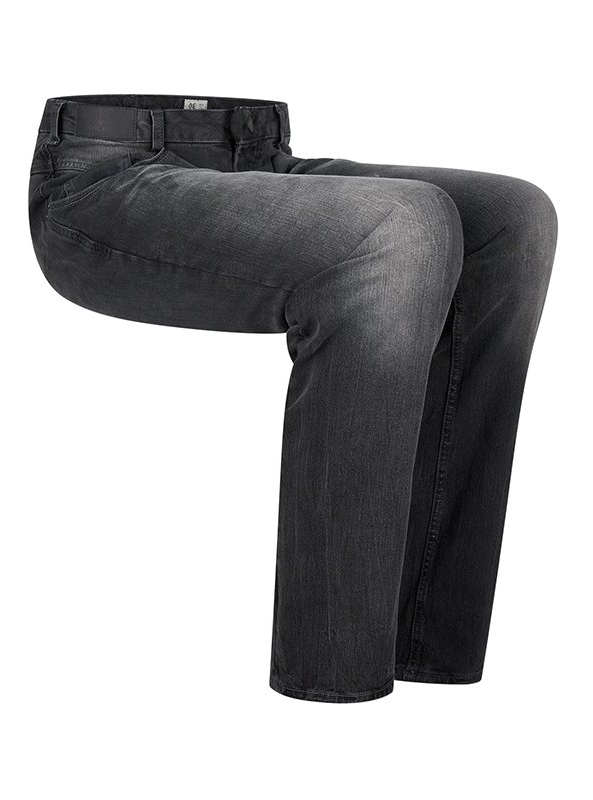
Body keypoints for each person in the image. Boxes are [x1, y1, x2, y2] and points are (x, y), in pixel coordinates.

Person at [28, 95, 558, 702]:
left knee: (511, 218)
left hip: (254, 148)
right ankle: (333, 675)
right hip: (103, 170)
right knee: (401, 226)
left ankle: (423, 648)